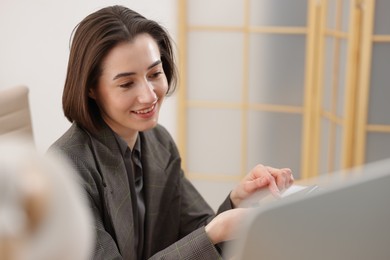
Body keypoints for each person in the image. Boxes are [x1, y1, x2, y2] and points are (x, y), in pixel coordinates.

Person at [49, 5, 294, 260]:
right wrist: (213, 232)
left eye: (155, 73)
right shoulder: (65, 168)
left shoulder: (158, 142)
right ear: (90, 88)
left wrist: (239, 198)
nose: (149, 95)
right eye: (126, 83)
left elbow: (198, 231)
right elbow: (207, 235)